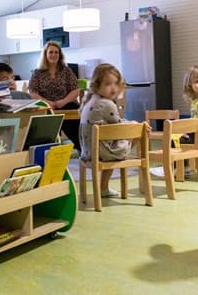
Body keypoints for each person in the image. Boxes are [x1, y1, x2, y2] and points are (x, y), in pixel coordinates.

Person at [79, 63, 137, 198]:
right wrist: (137, 125)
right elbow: (120, 127)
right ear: (97, 85)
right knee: (138, 133)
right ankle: (121, 159)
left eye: (116, 83)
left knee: (128, 132)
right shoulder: (106, 104)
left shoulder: (90, 100)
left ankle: (104, 186)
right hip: (101, 152)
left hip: (87, 151)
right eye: (108, 84)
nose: (113, 88)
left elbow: (116, 123)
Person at [28, 41, 80, 148]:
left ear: (60, 55)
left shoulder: (66, 71)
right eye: (51, 52)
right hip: (46, 106)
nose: (54, 55)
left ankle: (80, 146)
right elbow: (32, 92)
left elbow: (76, 90)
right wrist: (47, 102)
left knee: (73, 118)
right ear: (45, 54)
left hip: (65, 104)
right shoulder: (37, 72)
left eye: (56, 52)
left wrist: (63, 102)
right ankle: (51, 147)